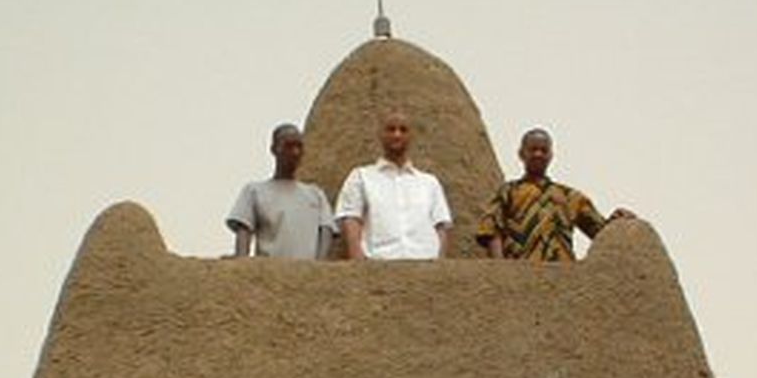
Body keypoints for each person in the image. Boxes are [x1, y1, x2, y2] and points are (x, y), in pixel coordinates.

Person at [476, 128, 634, 262]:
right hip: (521, 273)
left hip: (562, 277)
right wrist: (501, 268)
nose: (538, 154)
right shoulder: (508, 191)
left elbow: (600, 233)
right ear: (521, 154)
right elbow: (491, 229)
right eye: (533, 149)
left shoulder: (571, 197)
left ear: (551, 155)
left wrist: (618, 223)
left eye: (544, 150)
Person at [335, 111, 452, 260]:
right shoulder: (361, 177)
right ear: (380, 134)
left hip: (425, 266)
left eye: (403, 130)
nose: (397, 135)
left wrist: (439, 263)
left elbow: (441, 225)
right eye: (391, 129)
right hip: (379, 266)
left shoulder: (429, 183)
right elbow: (351, 219)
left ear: (411, 136)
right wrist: (358, 263)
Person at [226, 124, 336, 259]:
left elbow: (327, 230)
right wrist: (241, 265)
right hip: (271, 274)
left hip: (307, 275)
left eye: (299, 146)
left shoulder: (315, 194)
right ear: (274, 149)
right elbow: (244, 229)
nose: (295, 152)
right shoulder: (255, 191)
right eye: (288, 146)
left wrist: (318, 268)